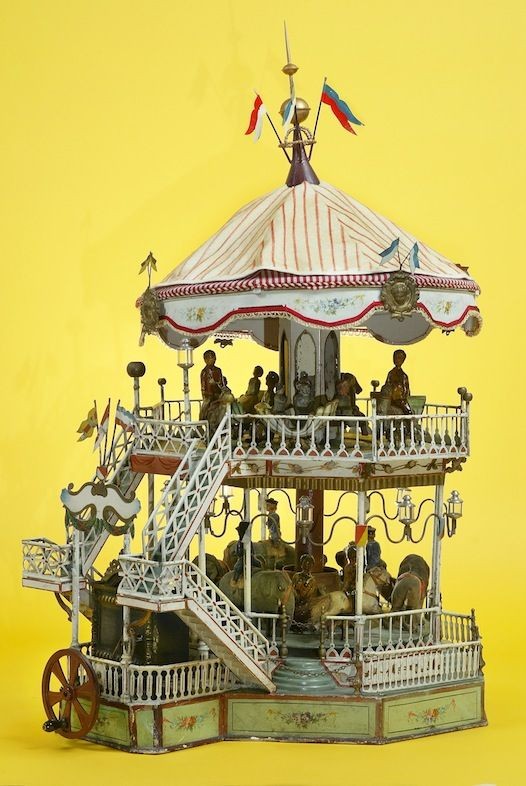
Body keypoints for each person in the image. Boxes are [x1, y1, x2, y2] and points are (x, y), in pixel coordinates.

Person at [291, 553, 321, 623]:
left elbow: (307, 595)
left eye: (310, 563)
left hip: (306, 605)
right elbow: (292, 589)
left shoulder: (312, 580)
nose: (307, 565)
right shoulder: (296, 576)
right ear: (301, 564)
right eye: (306, 563)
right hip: (296, 602)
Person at [385, 349, 412, 415]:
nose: (396, 360)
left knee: (408, 412)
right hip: (393, 400)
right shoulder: (391, 373)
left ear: (403, 360)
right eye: (395, 357)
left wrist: (405, 400)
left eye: (399, 358)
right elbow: (387, 386)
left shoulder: (404, 375)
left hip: (401, 400)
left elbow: (406, 390)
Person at [199, 350, 224, 419]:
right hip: (209, 396)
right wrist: (206, 396)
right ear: (205, 360)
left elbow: (221, 382)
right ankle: (202, 420)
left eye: (213, 357)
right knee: (204, 408)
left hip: (219, 394)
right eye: (210, 358)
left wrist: (217, 384)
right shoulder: (204, 372)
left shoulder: (218, 370)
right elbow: (203, 386)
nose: (213, 359)